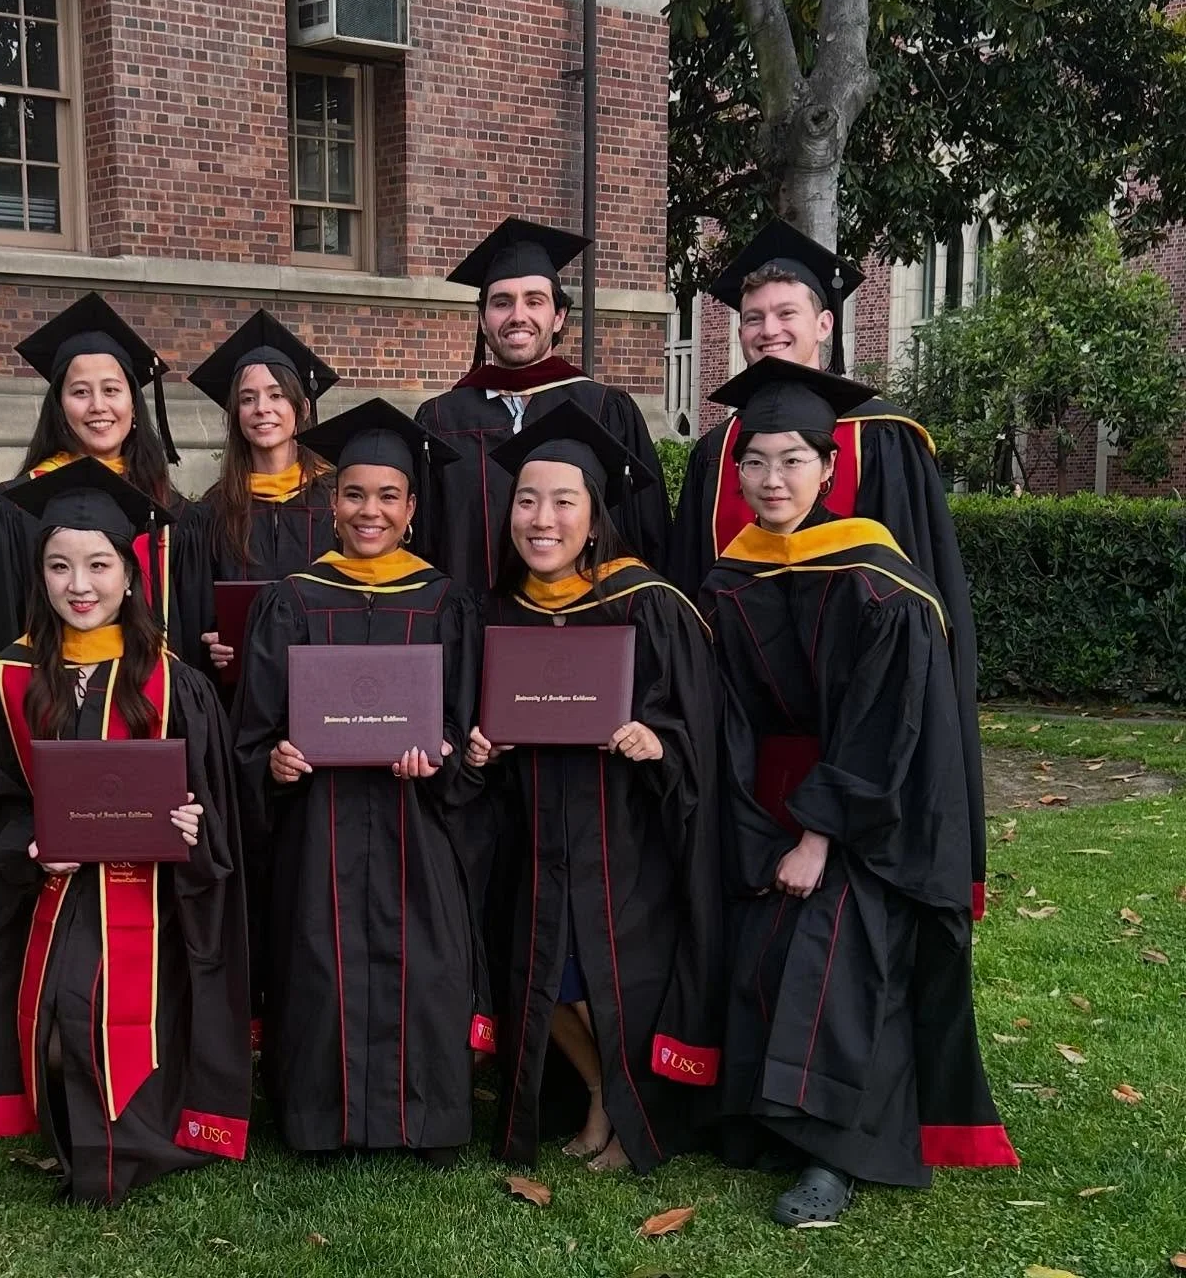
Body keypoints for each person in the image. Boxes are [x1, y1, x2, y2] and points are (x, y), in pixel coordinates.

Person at [697, 358, 1016, 1227]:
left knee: (833, 951)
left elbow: (887, 727)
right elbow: (721, 719)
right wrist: (755, 830)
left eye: (793, 460)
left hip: (866, 818)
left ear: (831, 469)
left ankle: (832, 1155)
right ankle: (766, 1121)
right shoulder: (729, 581)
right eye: (755, 461)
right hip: (763, 806)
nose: (772, 479)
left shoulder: (878, 579)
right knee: (759, 943)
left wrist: (818, 835)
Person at [666, 219, 989, 925]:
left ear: (823, 322)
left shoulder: (885, 441)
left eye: (786, 314)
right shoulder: (717, 454)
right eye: (754, 318)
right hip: (744, 757)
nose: (768, 331)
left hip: (864, 745)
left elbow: (916, 617)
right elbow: (689, 602)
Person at [0, 459, 253, 1204]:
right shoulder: (6, 682)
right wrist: (29, 847)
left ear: (130, 575)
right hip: (52, 900)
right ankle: (80, 1136)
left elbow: (215, 809)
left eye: (98, 565)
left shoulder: (173, 682)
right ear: (40, 575)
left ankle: (136, 1137)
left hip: (157, 909)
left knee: (123, 1033)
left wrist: (195, 824)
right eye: (60, 566)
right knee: (61, 1043)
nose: (79, 586)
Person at [464, 403, 722, 1176]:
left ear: (596, 512)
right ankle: (603, 1094)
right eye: (527, 500)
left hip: (623, 835)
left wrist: (658, 739)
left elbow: (700, 727)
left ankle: (627, 1105)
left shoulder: (647, 604)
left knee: (604, 971)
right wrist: (480, 743)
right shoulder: (498, 610)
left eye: (563, 501)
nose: (541, 519)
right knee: (550, 975)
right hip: (533, 831)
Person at [231, 400, 484, 1164]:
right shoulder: (295, 598)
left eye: (386, 496)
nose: (368, 511)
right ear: (331, 504)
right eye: (352, 494)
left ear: (411, 508)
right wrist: (274, 762)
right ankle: (323, 1122)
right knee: (318, 959)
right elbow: (255, 730)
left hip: (418, 821)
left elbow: (465, 723)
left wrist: (441, 748)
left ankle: (424, 1120)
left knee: (426, 961)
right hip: (321, 826)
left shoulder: (443, 602)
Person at [415, 217, 672, 589]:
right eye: (502, 302)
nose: (518, 316)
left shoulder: (605, 411)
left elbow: (645, 538)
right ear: (484, 320)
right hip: (468, 632)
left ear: (558, 316)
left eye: (534, 301)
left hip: (580, 630)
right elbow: (423, 542)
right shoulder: (441, 419)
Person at [0, 293, 181, 667]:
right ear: (60, 407)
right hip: (46, 703)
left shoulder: (171, 510)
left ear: (134, 405)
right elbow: (1, 631)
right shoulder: (11, 507)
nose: (98, 406)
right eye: (80, 392)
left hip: (152, 707)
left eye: (112, 390)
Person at [169, 310, 339, 677]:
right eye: (247, 399)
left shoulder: (335, 501)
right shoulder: (211, 514)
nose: (262, 408)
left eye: (276, 395)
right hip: (240, 698)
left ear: (302, 407)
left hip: (326, 688)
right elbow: (197, 616)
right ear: (236, 414)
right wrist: (210, 643)